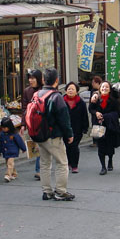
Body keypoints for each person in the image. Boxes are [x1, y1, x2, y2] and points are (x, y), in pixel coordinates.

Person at [37, 68, 75, 201]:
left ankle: (46, 191)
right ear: (57, 80)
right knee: (62, 163)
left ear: (43, 80)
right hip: (53, 136)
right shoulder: (56, 96)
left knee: (45, 163)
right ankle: (60, 191)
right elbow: (64, 119)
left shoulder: (38, 94)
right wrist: (69, 134)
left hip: (40, 135)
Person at [88, 81, 120, 175]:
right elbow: (91, 108)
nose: (104, 89)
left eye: (106, 87)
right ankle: (103, 167)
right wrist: (96, 113)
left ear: (110, 89)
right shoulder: (96, 98)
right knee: (101, 146)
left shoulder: (114, 99)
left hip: (110, 126)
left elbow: (117, 112)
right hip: (99, 125)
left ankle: (110, 160)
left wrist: (106, 116)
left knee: (110, 146)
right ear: (99, 88)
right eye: (102, 87)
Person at [20, 69, 43, 180]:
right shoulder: (27, 91)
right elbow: (24, 108)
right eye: (29, 78)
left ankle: (39, 170)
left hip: (43, 122)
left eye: (33, 78)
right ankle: (41, 168)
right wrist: (23, 124)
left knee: (42, 144)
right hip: (31, 122)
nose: (30, 80)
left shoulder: (44, 89)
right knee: (35, 145)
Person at [63, 81, 89, 173]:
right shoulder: (61, 101)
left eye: (72, 89)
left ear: (77, 91)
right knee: (66, 147)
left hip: (77, 128)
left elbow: (84, 115)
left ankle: (74, 165)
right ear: (65, 90)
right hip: (64, 129)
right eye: (69, 89)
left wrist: (85, 127)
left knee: (74, 147)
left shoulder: (80, 102)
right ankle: (68, 163)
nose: (70, 90)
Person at [0, 117, 26, 182]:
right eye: (2, 128)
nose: (3, 129)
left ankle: (8, 175)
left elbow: (19, 141)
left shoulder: (14, 134)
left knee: (10, 163)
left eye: (5, 128)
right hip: (5, 151)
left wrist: (23, 148)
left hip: (13, 151)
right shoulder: (1, 134)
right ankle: (14, 173)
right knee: (8, 164)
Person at [89, 76, 102, 147]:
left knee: (101, 126)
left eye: (93, 82)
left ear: (98, 83)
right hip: (94, 110)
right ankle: (95, 141)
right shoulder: (92, 91)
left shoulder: (103, 90)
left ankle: (100, 141)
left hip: (101, 111)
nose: (92, 84)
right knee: (95, 126)